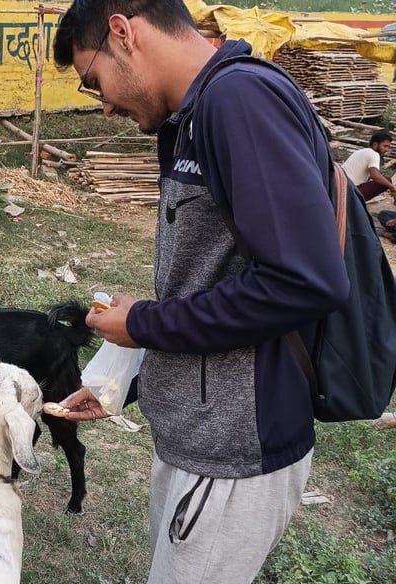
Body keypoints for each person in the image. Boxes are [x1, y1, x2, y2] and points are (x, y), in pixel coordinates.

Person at [52, 2, 349, 583]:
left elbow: (305, 280)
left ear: (122, 33)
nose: (104, 104)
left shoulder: (239, 101)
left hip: (232, 452)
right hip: (197, 440)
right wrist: (127, 380)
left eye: (94, 81)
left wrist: (143, 324)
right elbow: (209, 283)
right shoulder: (191, 117)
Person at [341, 131, 396, 202]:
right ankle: (356, 203)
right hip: (350, 190)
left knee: (383, 180)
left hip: (342, 186)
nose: (386, 149)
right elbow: (375, 176)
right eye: (385, 146)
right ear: (375, 144)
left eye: (388, 147)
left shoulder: (361, 151)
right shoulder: (374, 154)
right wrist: (391, 186)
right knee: (387, 181)